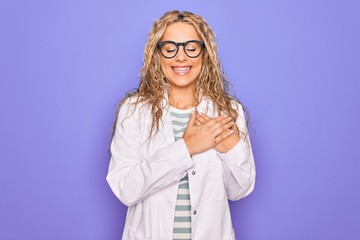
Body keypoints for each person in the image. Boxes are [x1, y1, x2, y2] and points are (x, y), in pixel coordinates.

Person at [106, 10, 256, 240]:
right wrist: (186, 148)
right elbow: (125, 189)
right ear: (158, 55)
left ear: (204, 53)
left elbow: (239, 191)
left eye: (191, 47)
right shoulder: (134, 111)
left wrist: (232, 150)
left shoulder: (228, 112)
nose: (181, 57)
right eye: (170, 48)